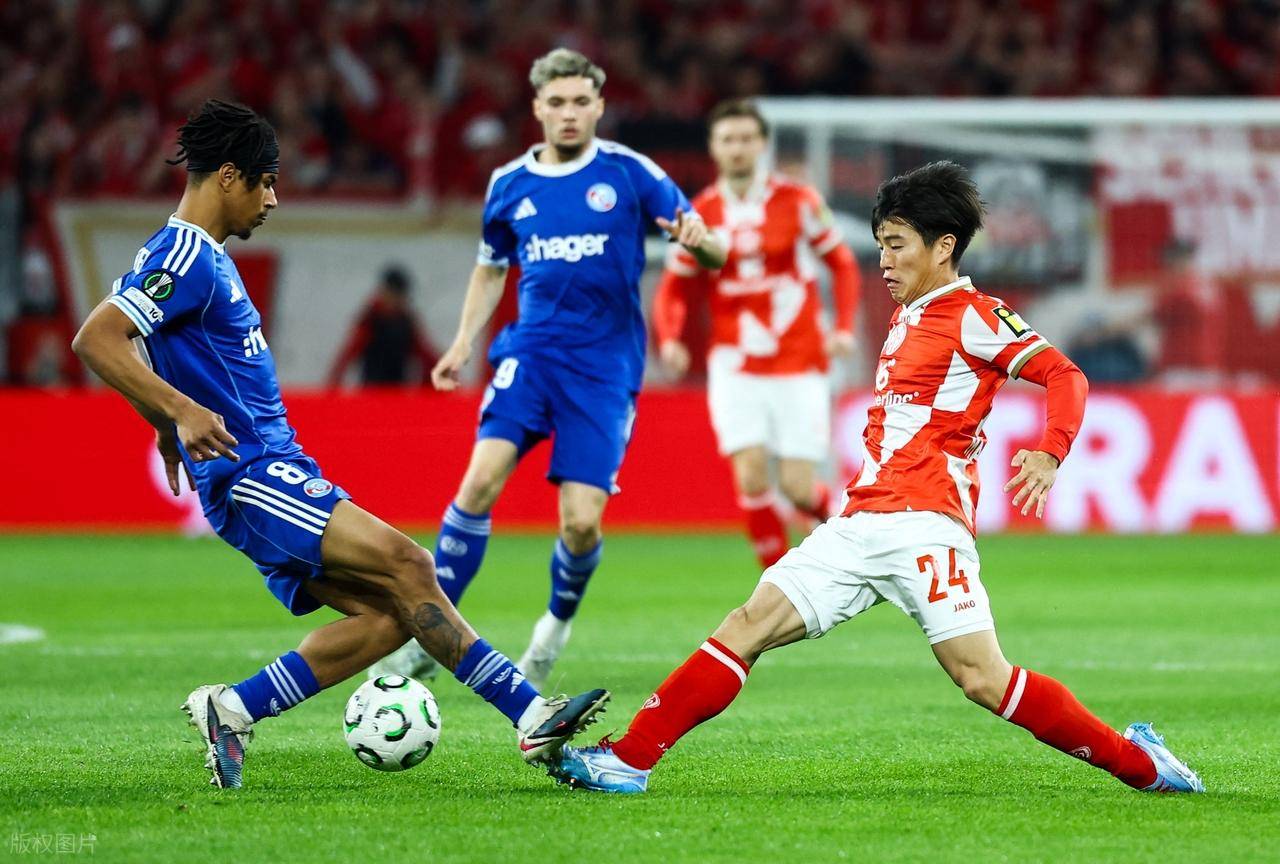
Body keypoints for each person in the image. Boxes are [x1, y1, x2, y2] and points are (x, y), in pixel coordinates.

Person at [549, 161, 1204, 795]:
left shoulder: (973, 314)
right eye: (881, 245)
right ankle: (629, 759)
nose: (883, 261)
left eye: (897, 245)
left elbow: (1064, 374)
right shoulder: (909, 314)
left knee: (983, 679)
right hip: (861, 523)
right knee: (747, 624)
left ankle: (1140, 765)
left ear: (944, 247)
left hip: (924, 527)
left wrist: (1050, 451)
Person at [70, 99, 609, 790]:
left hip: (271, 468)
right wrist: (177, 411)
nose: (273, 199)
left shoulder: (204, 258)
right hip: (253, 473)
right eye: (266, 182)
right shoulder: (185, 255)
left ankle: (233, 709)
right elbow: (97, 338)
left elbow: (153, 347)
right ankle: (532, 717)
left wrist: (162, 421)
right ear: (229, 176)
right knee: (411, 562)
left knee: (393, 613)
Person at [372, 49, 726, 688]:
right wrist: (461, 343)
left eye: (580, 102)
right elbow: (490, 269)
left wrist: (703, 246)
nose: (568, 113)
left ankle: (553, 629)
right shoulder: (509, 183)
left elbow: (715, 251)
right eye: (556, 102)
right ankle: (429, 635)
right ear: (537, 107)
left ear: (599, 105)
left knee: (581, 522)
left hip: (604, 369)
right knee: (478, 484)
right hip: (530, 355)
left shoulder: (630, 173)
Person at [652, 98, 861, 569]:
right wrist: (670, 338)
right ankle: (779, 584)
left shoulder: (799, 201)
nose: (738, 148)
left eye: (747, 138)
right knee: (749, 475)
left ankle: (849, 533)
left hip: (799, 358)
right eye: (728, 139)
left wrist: (844, 327)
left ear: (763, 144)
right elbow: (672, 288)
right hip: (735, 362)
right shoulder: (699, 214)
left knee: (797, 487)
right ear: (713, 148)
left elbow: (843, 264)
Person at [326, 266, 441, 387]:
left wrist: (427, 387)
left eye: (400, 296)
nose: (396, 301)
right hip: (371, 391)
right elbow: (346, 357)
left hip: (398, 392)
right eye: (393, 295)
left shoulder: (407, 322)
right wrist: (333, 386)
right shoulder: (370, 319)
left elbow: (428, 358)